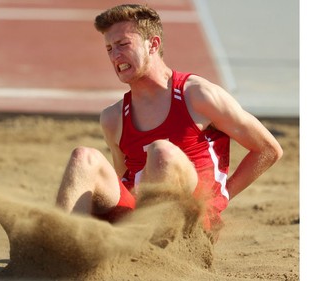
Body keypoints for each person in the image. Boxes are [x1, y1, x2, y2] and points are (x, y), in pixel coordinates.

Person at [55, 4, 283, 238]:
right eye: (109, 48)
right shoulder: (113, 118)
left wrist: (221, 198)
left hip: (185, 223)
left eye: (123, 44)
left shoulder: (198, 95)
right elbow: (124, 177)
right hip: (135, 224)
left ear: (153, 44)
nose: (115, 56)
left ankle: (156, 249)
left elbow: (268, 149)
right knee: (84, 157)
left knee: (162, 151)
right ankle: (59, 247)